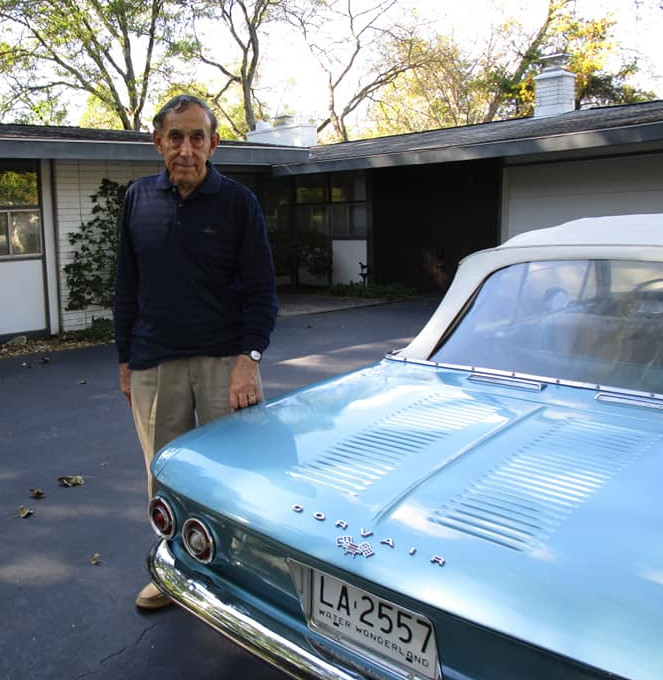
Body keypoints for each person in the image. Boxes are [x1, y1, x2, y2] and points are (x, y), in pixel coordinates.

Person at [114, 94, 278, 610]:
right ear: (158, 141)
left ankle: (241, 580)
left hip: (223, 365)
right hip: (153, 363)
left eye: (197, 136)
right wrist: (124, 361)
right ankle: (176, 570)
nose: (186, 148)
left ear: (213, 143)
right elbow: (127, 287)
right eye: (176, 136)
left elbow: (261, 289)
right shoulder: (138, 199)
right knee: (166, 474)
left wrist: (248, 360)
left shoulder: (237, 202)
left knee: (234, 474)